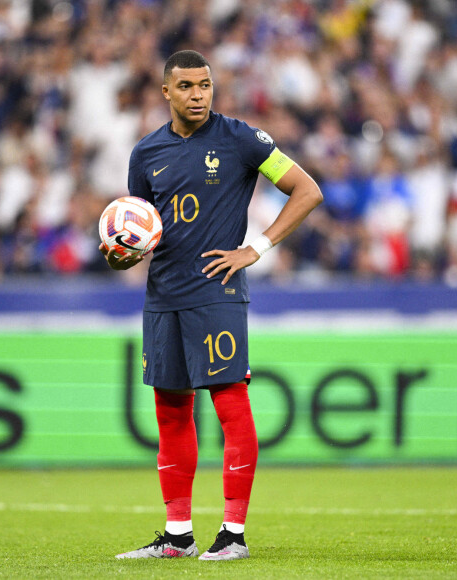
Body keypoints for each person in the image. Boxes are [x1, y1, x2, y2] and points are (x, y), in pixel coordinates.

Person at [100, 50, 323, 561]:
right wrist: (119, 256)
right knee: (171, 411)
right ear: (166, 93)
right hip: (162, 298)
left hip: (216, 294)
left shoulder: (240, 138)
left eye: (205, 85)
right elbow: (140, 230)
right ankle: (177, 535)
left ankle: (234, 534)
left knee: (230, 407)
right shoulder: (145, 153)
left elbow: (306, 190)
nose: (198, 95)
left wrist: (256, 248)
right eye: (187, 87)